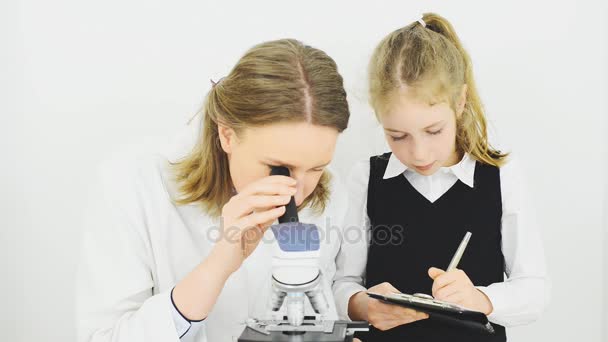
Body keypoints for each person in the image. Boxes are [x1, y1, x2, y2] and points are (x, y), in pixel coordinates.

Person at [76, 38, 351, 342]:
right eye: (279, 169)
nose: (297, 196)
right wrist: (217, 267)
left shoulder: (330, 190)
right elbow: (104, 337)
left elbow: (312, 318)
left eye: (316, 168)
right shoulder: (133, 183)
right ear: (227, 135)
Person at [332, 13, 550, 342]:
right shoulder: (367, 177)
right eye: (398, 136)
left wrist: (482, 299)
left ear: (459, 102)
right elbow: (343, 281)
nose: (419, 153)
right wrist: (360, 305)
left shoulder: (500, 176)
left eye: (434, 131)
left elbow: (534, 289)